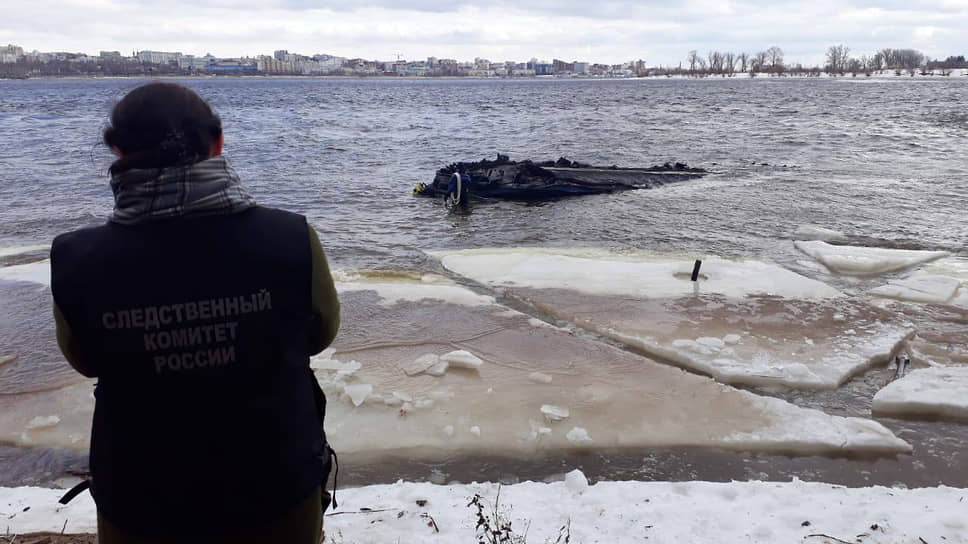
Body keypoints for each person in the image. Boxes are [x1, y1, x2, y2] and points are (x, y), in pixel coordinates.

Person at [50, 82, 340, 543]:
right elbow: (321, 332)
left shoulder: (75, 258)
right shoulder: (289, 238)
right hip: (275, 486)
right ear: (218, 142)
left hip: (141, 495)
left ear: (117, 150)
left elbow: (86, 359)